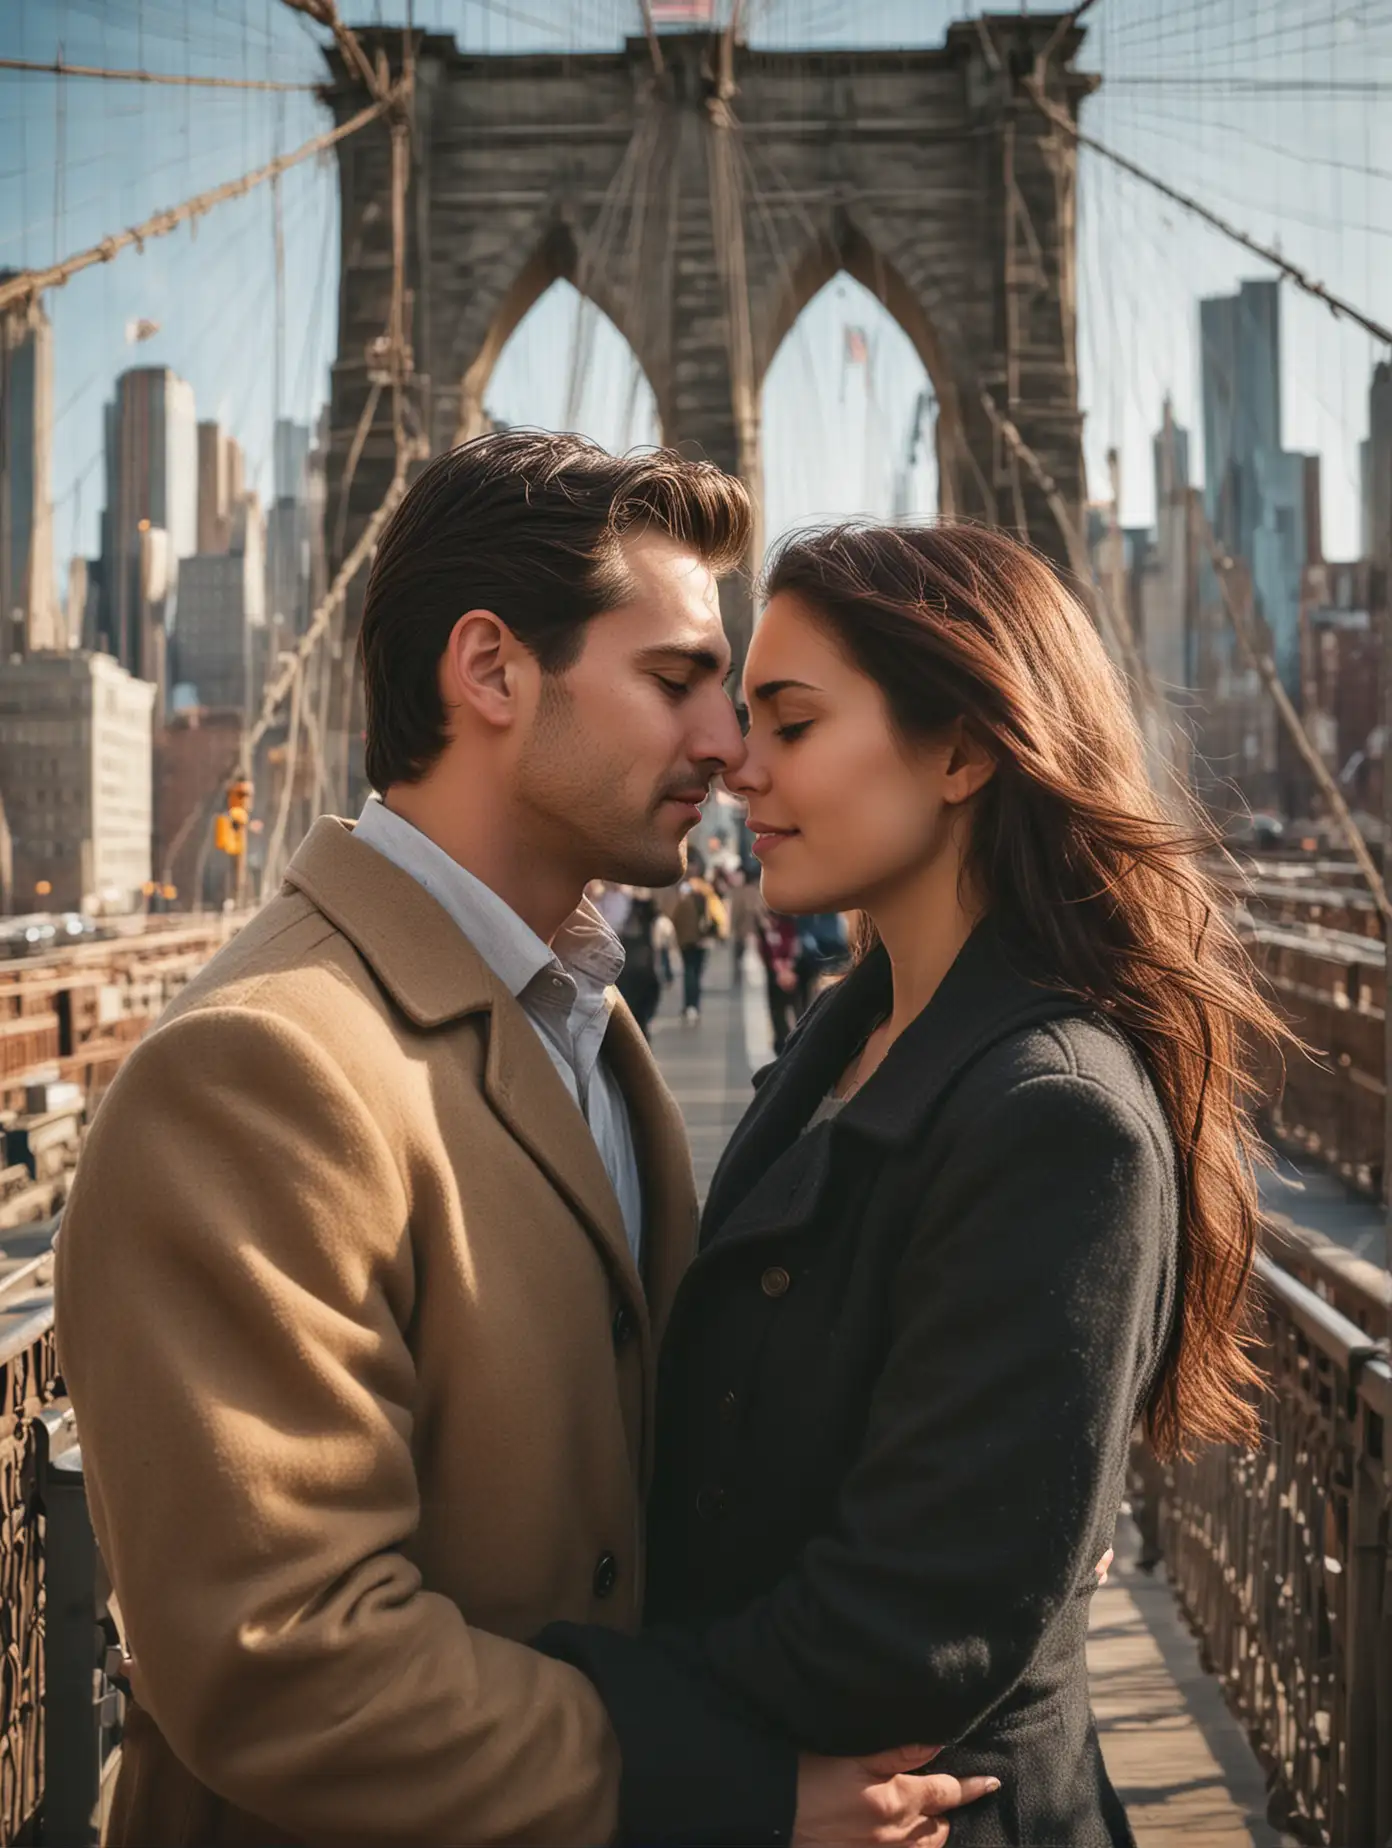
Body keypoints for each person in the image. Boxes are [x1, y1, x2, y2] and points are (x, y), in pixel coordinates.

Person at [55, 441, 981, 1848]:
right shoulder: (260, 1071)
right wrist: (725, 1795)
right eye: (677, 682)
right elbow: (288, 1658)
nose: (731, 747)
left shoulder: (583, 1027)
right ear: (490, 671)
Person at [539, 521, 1285, 1846]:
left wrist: (517, 1704)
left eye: (792, 722)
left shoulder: (1053, 1118)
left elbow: (908, 1625)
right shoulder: (847, 1042)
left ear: (960, 749)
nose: (736, 766)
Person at [671, 858, 727, 1023]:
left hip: (686, 939)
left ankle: (690, 1005)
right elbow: (717, 914)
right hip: (702, 938)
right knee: (696, 972)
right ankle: (694, 1005)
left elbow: (675, 916)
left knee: (689, 971)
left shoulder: (683, 891)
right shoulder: (707, 891)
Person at [756, 906, 805, 1052]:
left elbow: (794, 948)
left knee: (792, 1008)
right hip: (779, 973)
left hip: (787, 973)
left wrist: (785, 968)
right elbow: (765, 952)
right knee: (782, 1010)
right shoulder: (768, 929)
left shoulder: (788, 927)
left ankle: (791, 1040)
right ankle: (784, 1041)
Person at [617, 888, 663, 1039]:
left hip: (634, 972)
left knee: (636, 1016)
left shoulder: (632, 913)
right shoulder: (644, 922)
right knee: (639, 1017)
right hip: (639, 970)